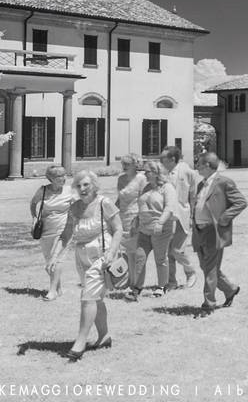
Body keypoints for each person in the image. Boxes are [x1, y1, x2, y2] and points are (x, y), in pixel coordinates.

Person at [47, 170, 123, 361]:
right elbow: (66, 235)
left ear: (94, 185)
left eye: (86, 185)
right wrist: (54, 256)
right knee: (96, 299)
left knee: (88, 297)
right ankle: (104, 337)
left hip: (101, 256)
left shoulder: (104, 203)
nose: (82, 189)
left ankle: (80, 343)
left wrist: (111, 252)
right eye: (78, 185)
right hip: (82, 257)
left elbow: (119, 229)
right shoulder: (75, 208)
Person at [191, 151, 247, 317]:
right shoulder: (201, 184)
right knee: (208, 267)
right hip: (199, 231)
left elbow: (241, 202)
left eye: (199, 164)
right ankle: (230, 289)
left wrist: (224, 218)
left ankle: (208, 305)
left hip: (212, 232)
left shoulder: (224, 182)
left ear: (208, 165)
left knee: (209, 270)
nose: (197, 167)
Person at [126, 160, 178, 301]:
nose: (144, 174)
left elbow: (169, 207)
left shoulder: (167, 188)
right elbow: (141, 206)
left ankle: (161, 287)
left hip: (160, 229)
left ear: (156, 173)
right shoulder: (147, 187)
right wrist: (135, 222)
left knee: (160, 259)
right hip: (144, 229)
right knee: (139, 258)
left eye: (147, 171)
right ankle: (137, 287)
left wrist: (160, 223)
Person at [29, 165, 74, 301]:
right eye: (60, 176)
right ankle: (58, 288)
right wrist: (34, 217)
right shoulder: (43, 190)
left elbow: (78, 206)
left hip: (63, 229)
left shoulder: (69, 190)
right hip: (46, 229)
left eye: (64, 175)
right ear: (51, 178)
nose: (64, 178)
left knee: (58, 259)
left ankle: (52, 291)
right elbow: (33, 203)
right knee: (49, 261)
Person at [160, 146, 199, 290]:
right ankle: (171, 281)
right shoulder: (163, 173)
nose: (160, 161)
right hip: (167, 216)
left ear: (172, 159)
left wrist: (193, 216)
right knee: (167, 251)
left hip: (182, 215)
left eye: (163, 158)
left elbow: (193, 195)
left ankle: (190, 271)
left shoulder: (187, 171)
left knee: (176, 250)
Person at [114, 154, 146, 296]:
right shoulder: (121, 178)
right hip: (122, 216)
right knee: (127, 252)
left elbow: (144, 199)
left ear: (135, 164)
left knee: (136, 252)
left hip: (136, 216)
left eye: (127, 163)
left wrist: (140, 218)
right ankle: (130, 280)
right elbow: (119, 199)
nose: (124, 166)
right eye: (123, 163)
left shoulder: (141, 178)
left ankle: (137, 284)